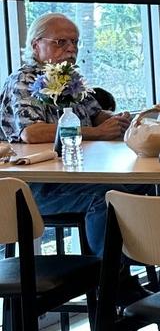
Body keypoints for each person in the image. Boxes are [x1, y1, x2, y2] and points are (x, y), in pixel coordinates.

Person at [0, 13, 131, 253]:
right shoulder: (24, 79)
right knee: (109, 197)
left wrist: (121, 120)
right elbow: (31, 132)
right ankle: (112, 282)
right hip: (33, 187)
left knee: (138, 189)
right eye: (61, 42)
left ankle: (130, 269)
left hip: (74, 174)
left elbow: (96, 114)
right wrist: (98, 133)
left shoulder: (71, 77)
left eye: (75, 42)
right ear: (36, 45)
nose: (71, 49)